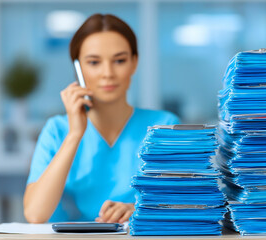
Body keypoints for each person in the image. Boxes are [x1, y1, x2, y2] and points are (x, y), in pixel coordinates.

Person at [23, 14, 180, 224]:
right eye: (94, 62)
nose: (108, 73)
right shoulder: (57, 130)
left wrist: (139, 209)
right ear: (78, 68)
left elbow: (186, 203)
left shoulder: (165, 126)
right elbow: (35, 214)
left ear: (134, 63)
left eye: (119, 60)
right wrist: (75, 134)